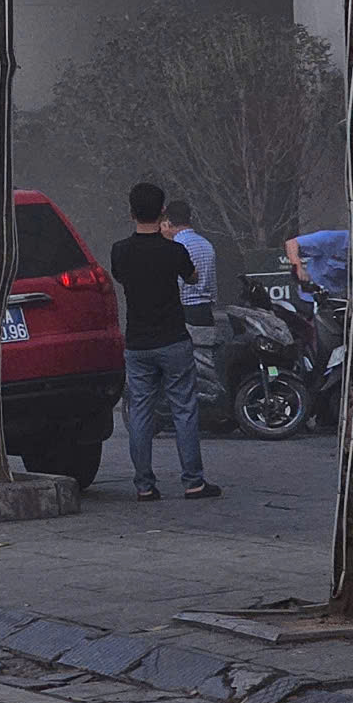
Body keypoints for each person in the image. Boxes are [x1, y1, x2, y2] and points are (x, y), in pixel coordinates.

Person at [112, 184, 220, 501]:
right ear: (162, 213)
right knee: (184, 409)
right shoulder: (174, 251)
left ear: (131, 213)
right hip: (173, 339)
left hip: (138, 343)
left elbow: (120, 276)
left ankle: (144, 485)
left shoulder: (120, 250)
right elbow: (193, 278)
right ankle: (193, 482)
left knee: (141, 411)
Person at [285, 226, 352, 371]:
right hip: (312, 300)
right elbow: (291, 244)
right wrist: (298, 267)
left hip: (340, 303)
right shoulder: (335, 238)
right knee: (316, 337)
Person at [161, 200, 218, 331]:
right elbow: (212, 283)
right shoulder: (207, 244)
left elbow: (175, 283)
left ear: (169, 221)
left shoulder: (175, 246)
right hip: (205, 311)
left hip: (184, 312)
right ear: (189, 218)